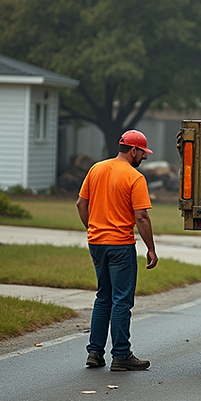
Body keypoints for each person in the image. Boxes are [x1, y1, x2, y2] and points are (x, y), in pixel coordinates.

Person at [77, 129, 159, 372]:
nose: (144, 158)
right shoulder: (134, 177)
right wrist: (151, 249)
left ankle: (94, 352)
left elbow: (81, 203)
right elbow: (141, 217)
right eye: (142, 153)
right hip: (121, 245)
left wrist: (93, 228)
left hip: (97, 243)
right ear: (133, 150)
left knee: (103, 297)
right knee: (121, 300)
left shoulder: (96, 169)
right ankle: (121, 355)